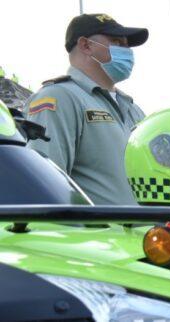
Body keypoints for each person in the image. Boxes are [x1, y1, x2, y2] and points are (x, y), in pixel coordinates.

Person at [24, 13, 148, 205]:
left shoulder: (134, 110)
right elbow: (42, 185)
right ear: (86, 45)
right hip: (94, 226)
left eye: (127, 45)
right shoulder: (59, 98)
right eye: (117, 42)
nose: (127, 51)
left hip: (146, 225)